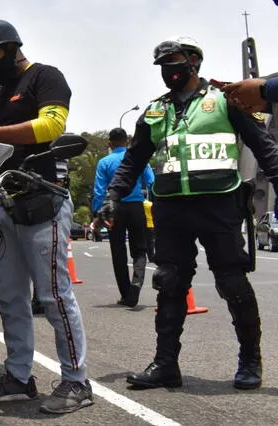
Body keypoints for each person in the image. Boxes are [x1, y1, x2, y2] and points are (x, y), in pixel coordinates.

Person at [108, 36, 278, 391]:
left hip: (219, 202)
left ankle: (250, 361)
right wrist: (113, 195)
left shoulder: (225, 100)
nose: (167, 70)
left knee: (231, 281)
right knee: (169, 283)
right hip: (171, 207)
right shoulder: (155, 110)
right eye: (162, 65)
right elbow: (133, 160)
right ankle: (166, 364)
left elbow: (264, 148)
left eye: (173, 61)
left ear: (193, 61)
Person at [0, 20, 92, 415]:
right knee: (10, 297)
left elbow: (52, 125)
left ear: (13, 47)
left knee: (54, 295)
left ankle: (76, 381)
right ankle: (19, 377)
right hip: (4, 207)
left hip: (44, 202)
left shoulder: (46, 77)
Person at [92, 127, 154, 307]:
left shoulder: (104, 162)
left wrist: (97, 213)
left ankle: (126, 294)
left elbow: (99, 190)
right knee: (140, 249)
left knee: (118, 251)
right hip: (136, 207)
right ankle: (137, 284)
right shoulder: (138, 158)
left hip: (114, 208)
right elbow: (151, 182)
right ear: (127, 142)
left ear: (110, 144)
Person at [143, 196, 155, 262]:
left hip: (142, 225)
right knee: (150, 242)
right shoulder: (150, 204)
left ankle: (142, 256)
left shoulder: (140, 205)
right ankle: (151, 257)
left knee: (143, 242)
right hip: (151, 225)